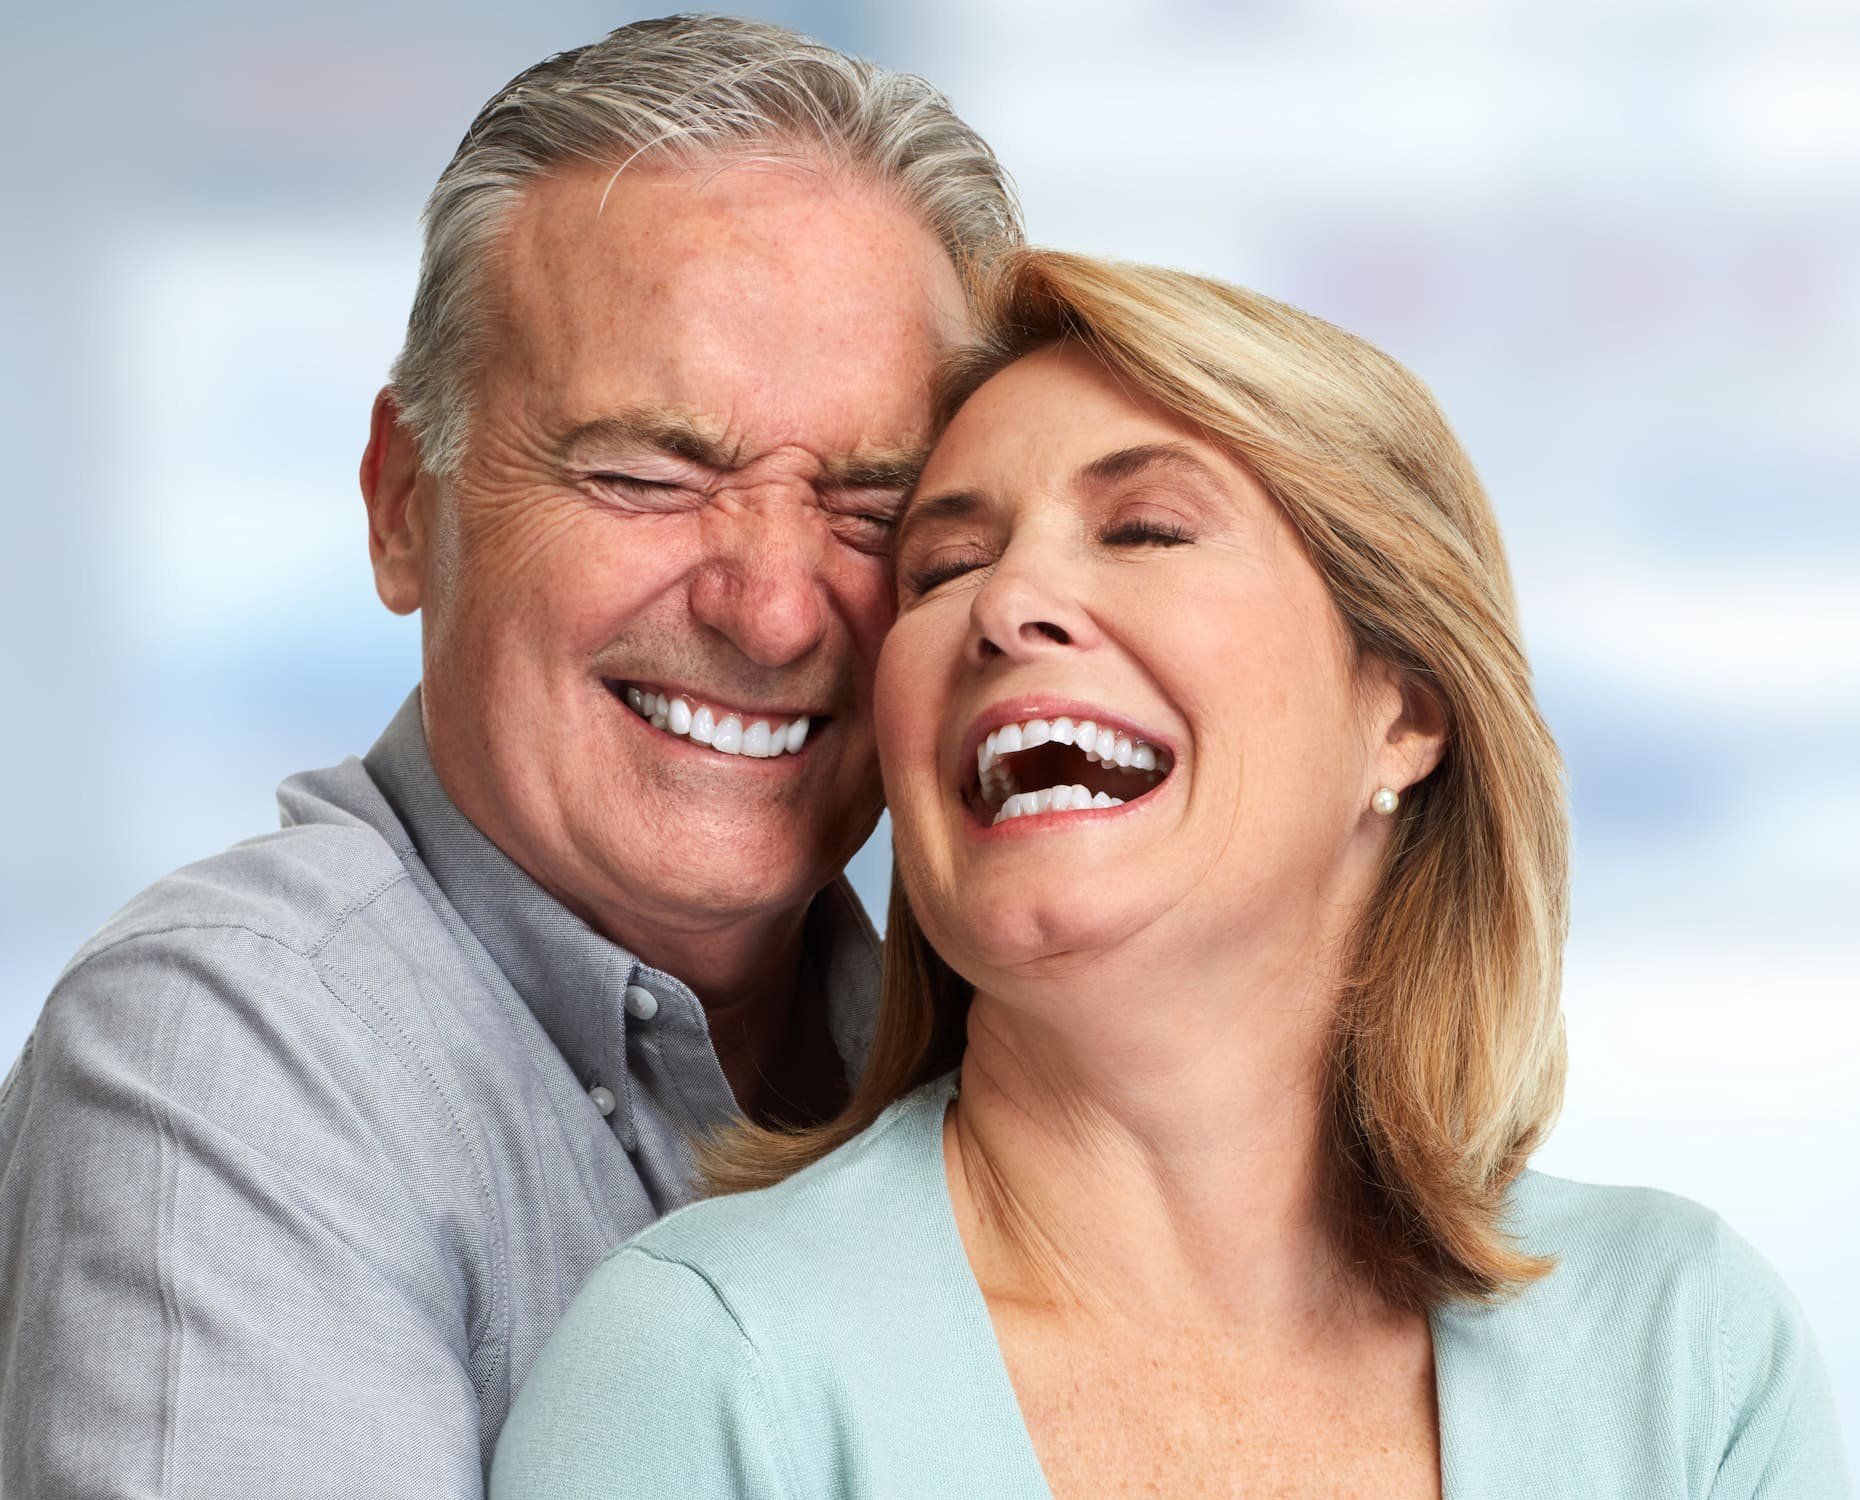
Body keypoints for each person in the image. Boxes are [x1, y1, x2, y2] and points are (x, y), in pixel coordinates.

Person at [491, 248, 1852, 1498]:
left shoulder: (1692, 1356)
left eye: (1144, 530)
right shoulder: (706, 1368)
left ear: (1405, 707)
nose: (1008, 603)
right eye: (945, 564)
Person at [0, 16, 1019, 1497]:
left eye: (871, 506)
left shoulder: (969, 1058)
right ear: (406, 505)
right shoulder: (229, 1055)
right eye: (645, 475)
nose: (774, 604)